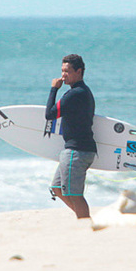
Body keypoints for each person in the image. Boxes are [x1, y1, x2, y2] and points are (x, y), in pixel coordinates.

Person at [46, 54, 96, 220]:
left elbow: (50, 114)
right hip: (77, 150)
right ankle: (82, 218)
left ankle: (85, 223)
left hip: (77, 151)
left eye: (67, 71)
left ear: (79, 71)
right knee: (57, 188)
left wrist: (54, 89)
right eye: (62, 71)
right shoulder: (83, 92)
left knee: (75, 194)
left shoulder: (76, 94)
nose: (63, 75)